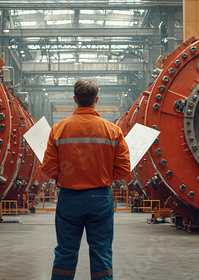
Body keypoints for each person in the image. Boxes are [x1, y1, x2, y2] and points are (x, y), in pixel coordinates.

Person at [41, 79, 131, 280]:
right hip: (100, 197)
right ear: (96, 99)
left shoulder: (59, 129)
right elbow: (124, 168)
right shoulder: (112, 131)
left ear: (75, 99)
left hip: (69, 197)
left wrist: (65, 177)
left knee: (65, 252)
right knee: (101, 252)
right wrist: (104, 175)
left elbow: (48, 168)